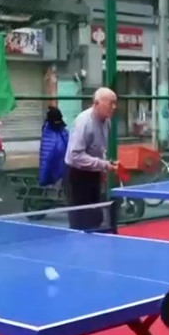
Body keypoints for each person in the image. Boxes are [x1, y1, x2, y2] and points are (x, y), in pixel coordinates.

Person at [64, 87, 118, 232]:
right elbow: (76, 155)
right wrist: (103, 165)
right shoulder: (84, 122)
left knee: (95, 217)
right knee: (80, 220)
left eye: (115, 103)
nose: (114, 107)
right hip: (77, 175)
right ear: (97, 103)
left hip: (93, 174)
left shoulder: (107, 122)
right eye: (111, 103)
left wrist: (104, 166)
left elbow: (100, 149)